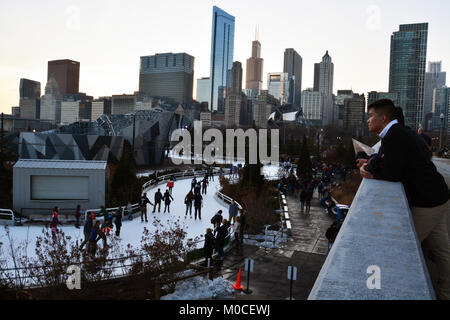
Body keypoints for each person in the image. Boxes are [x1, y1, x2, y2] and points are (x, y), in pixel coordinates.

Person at [359, 99, 450, 300]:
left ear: (383, 118)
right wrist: (373, 163)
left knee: (404, 247)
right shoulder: (397, 133)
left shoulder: (394, 137)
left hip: (428, 202)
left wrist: (367, 171)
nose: (368, 120)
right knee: (442, 250)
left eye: (371, 116)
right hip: (438, 196)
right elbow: (383, 158)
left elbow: (391, 172)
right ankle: (445, 292)